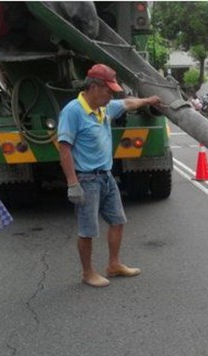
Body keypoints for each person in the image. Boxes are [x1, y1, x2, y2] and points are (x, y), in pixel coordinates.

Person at [57, 63, 161, 287]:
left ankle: (114, 264)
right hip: (86, 179)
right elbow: (64, 148)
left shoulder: (103, 107)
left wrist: (148, 100)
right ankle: (88, 273)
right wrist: (72, 182)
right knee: (87, 230)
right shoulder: (74, 111)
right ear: (94, 87)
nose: (111, 95)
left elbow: (126, 103)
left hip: (106, 176)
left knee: (117, 221)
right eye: (108, 90)